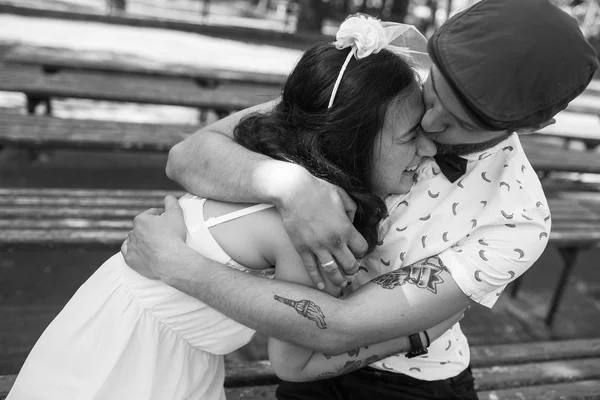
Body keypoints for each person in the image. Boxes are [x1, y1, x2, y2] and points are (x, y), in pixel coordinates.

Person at [121, 0, 599, 399]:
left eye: (463, 123)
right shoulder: (380, 80)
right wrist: (289, 187)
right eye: (433, 92)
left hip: (412, 382)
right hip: (296, 352)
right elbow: (189, 156)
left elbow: (338, 328)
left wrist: (177, 266)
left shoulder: (518, 221)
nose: (429, 126)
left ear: (532, 127)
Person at [6, 17, 463, 400]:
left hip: (99, 332)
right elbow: (295, 364)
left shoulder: (259, 159)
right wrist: (419, 332)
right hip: (139, 363)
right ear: (354, 139)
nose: (428, 145)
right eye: (409, 136)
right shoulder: (308, 226)